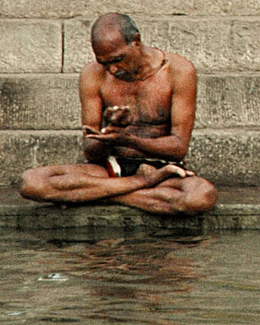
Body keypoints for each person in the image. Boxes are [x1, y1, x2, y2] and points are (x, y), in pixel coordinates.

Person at [17, 12, 217, 216]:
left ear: (136, 41)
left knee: (200, 197)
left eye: (118, 59)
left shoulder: (178, 70)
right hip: (111, 168)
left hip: (162, 169)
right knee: (32, 182)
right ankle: (137, 186)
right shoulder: (93, 75)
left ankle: (91, 195)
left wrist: (128, 138)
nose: (113, 69)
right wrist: (109, 135)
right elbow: (91, 152)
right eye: (104, 63)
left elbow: (178, 147)